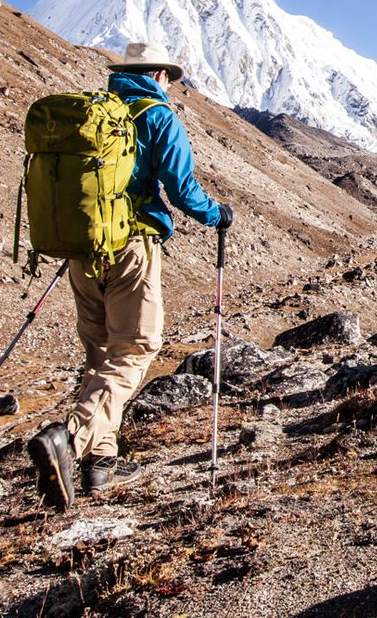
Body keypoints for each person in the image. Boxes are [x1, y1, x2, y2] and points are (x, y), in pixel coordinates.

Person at [28, 41, 233, 511]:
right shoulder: (158, 117)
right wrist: (216, 214)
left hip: (83, 249)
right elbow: (181, 188)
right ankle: (70, 438)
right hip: (131, 246)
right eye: (171, 79)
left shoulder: (97, 112)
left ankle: (100, 464)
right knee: (137, 348)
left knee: (101, 352)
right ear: (160, 75)